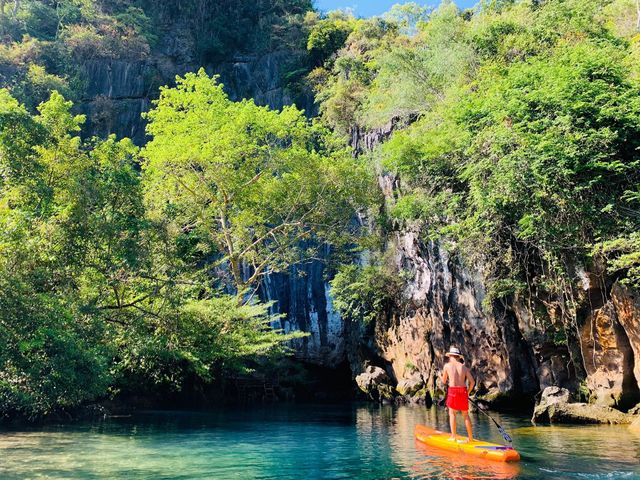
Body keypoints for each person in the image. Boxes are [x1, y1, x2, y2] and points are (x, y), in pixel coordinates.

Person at [440, 346, 475, 443]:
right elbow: (472, 382)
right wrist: (467, 393)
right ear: (458, 356)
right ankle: (471, 438)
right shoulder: (463, 367)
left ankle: (453, 436)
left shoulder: (447, 366)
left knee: (452, 414)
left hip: (453, 391)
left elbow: (443, 381)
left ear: (450, 356)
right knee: (466, 415)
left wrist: (440, 376)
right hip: (463, 391)